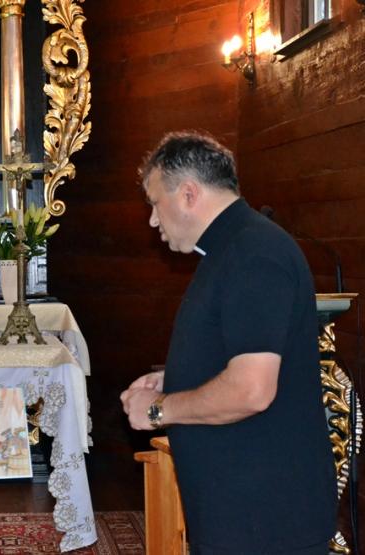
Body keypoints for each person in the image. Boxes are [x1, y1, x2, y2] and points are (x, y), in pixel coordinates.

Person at [120, 131, 337, 554]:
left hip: (265, 521)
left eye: (155, 203)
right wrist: (176, 378)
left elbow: (251, 390)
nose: (152, 220)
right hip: (243, 512)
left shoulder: (254, 254)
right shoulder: (230, 249)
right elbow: (237, 353)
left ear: (188, 194)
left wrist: (159, 409)